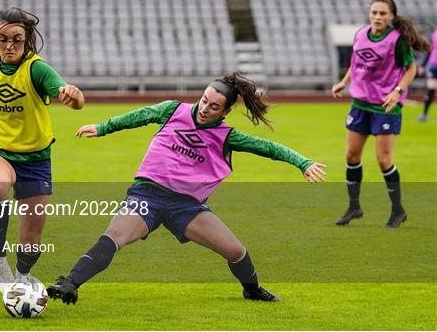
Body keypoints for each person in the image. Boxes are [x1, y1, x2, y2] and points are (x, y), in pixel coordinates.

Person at [46, 71, 326, 305]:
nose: (205, 108)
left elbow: (268, 148)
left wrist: (303, 163)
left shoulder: (227, 136)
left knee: (235, 250)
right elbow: (140, 116)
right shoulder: (172, 110)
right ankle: (70, 282)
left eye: (214, 106)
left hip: (187, 207)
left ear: (226, 111)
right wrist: (103, 127)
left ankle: (251, 290)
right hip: (148, 195)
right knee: (114, 237)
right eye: (204, 100)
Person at [0, 7, 85, 293]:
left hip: (35, 158)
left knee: (32, 239)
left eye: (17, 39)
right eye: (2, 38)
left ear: (27, 40)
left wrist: (74, 96)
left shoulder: (38, 69)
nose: (9, 45)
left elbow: (71, 98)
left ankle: (23, 275)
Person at [331, 0, 430, 228]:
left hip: (386, 106)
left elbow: (411, 68)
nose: (377, 17)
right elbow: (357, 64)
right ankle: (354, 207)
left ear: (391, 17)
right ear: (369, 14)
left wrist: (397, 91)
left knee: (383, 160)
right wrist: (344, 82)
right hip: (360, 103)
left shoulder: (397, 41)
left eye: (382, 14)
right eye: (374, 12)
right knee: (351, 156)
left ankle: (398, 211)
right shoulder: (361, 34)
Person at [417, 28, 437, 122]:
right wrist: (422, 65)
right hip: (433, 65)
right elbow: (429, 51)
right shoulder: (434, 34)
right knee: (430, 91)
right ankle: (424, 114)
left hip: (433, 65)